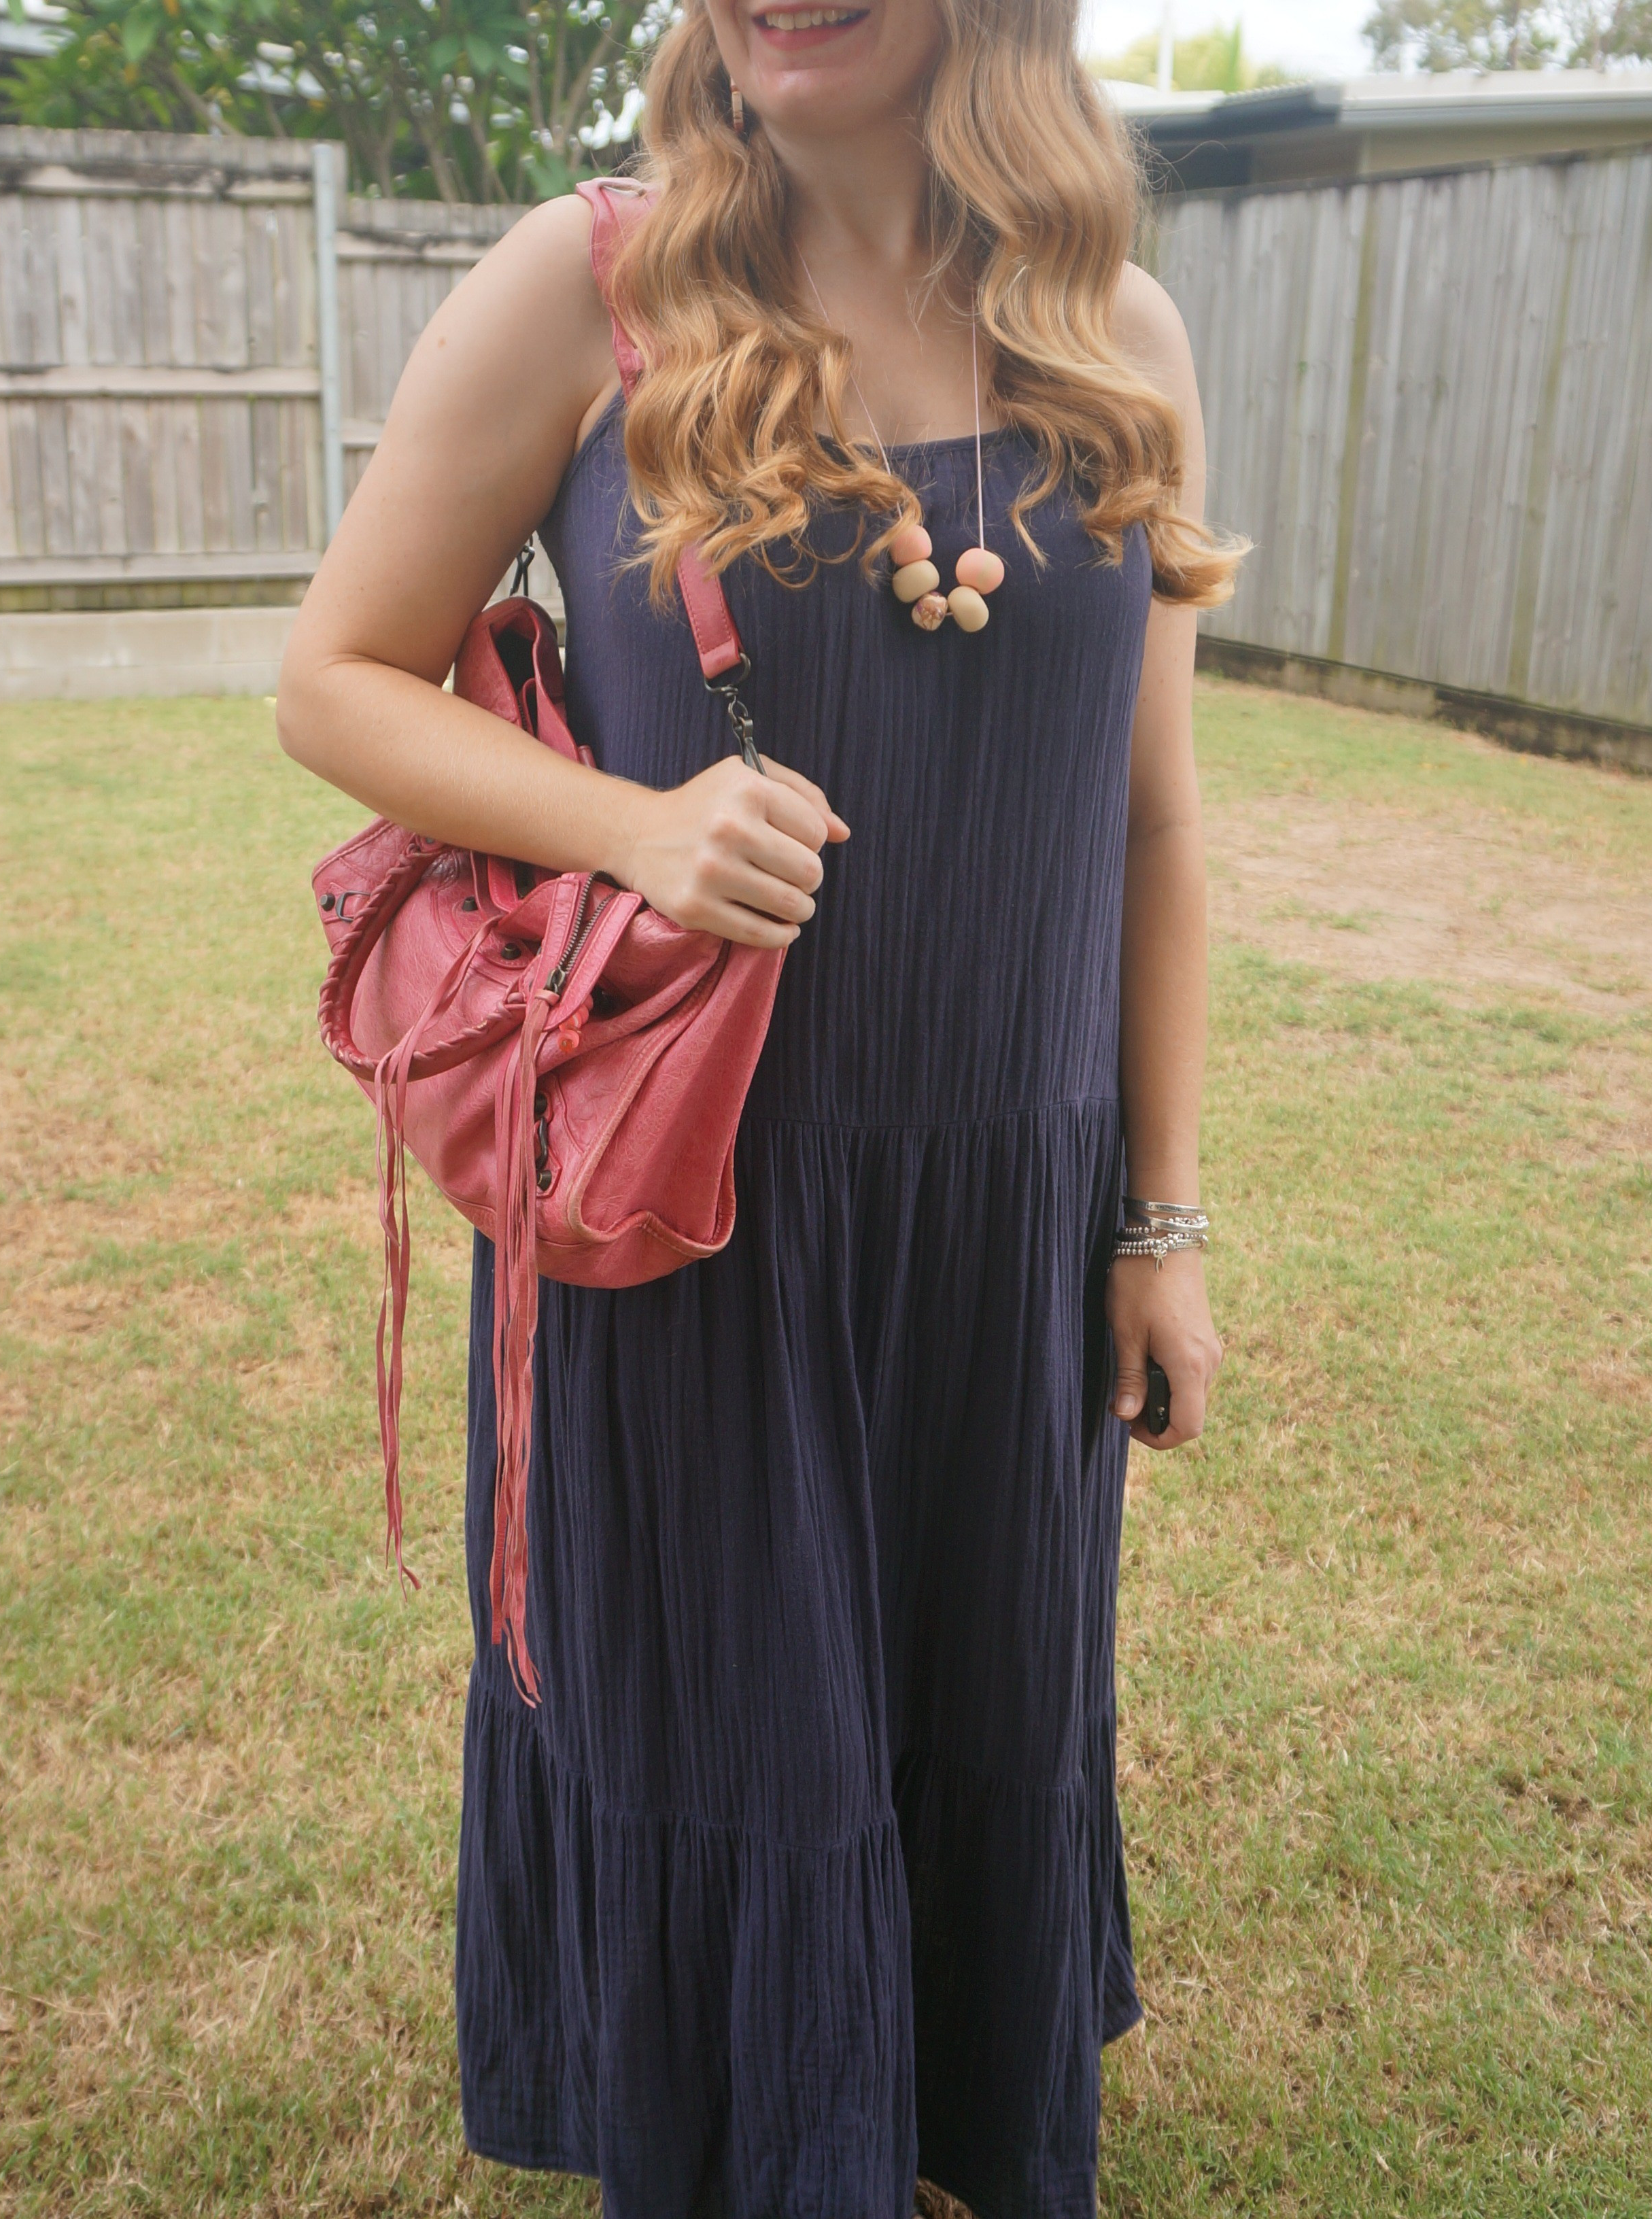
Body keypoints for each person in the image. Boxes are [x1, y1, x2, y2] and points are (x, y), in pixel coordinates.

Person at [276, 0, 1241, 2205]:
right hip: (703, 1230)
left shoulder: (1125, 338)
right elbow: (331, 674)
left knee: (976, 1712)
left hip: (1006, 1226)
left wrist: (1158, 1224)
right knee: (737, 1739)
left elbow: (1156, 827)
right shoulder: (591, 285)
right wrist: (623, 827)